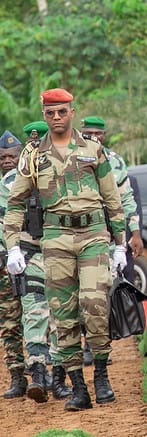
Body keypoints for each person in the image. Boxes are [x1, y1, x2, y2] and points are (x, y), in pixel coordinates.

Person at [3, 88, 128, 411]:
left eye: (62, 112)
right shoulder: (32, 155)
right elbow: (16, 203)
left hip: (93, 235)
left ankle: (100, 373)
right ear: (44, 115)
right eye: (50, 113)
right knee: (64, 315)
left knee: (95, 305)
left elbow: (112, 198)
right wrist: (13, 246)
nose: (56, 118)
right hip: (55, 237)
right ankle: (79, 387)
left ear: (72, 112)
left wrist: (120, 245)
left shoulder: (93, 149)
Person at [0, 124, 72, 404]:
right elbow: (6, 222)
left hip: (61, 255)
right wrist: (10, 253)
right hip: (25, 257)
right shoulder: (11, 182)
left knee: (62, 318)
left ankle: (59, 378)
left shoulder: (63, 172)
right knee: (26, 317)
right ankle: (33, 375)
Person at [79, 115, 143, 365]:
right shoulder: (71, 157)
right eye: (89, 133)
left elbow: (127, 200)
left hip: (106, 235)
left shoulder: (115, 161)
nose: (94, 137)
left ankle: (98, 344)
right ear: (81, 133)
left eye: (99, 133)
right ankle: (85, 341)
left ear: (104, 136)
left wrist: (134, 233)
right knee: (82, 293)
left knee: (101, 292)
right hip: (79, 234)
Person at [0, 130, 26, 399]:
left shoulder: (27, 184)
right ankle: (17, 376)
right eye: (3, 157)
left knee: (37, 319)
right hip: (1, 269)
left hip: (24, 263)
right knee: (8, 325)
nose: (7, 160)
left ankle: (51, 374)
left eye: (12, 156)